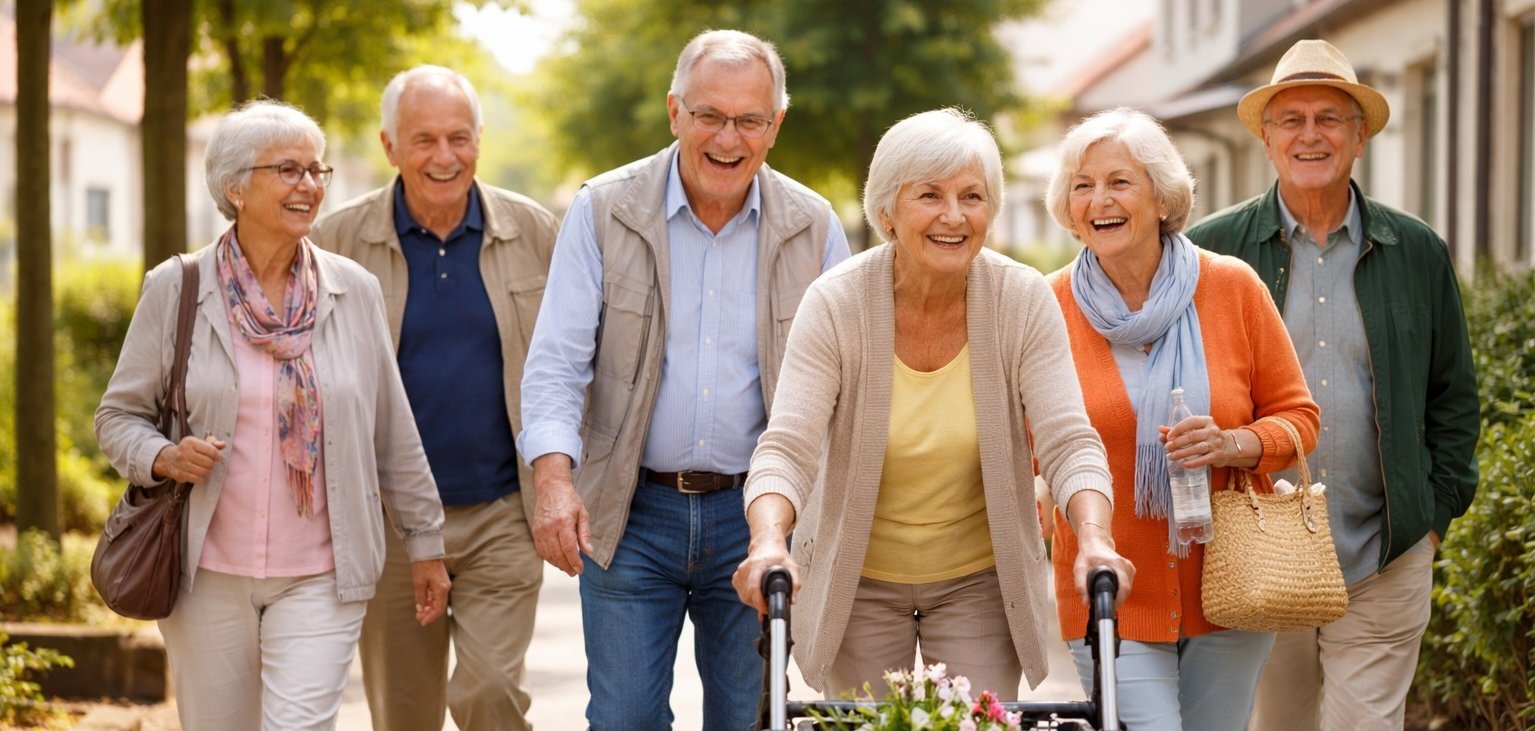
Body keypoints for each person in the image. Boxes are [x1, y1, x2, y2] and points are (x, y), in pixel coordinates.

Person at [732, 108, 1134, 700]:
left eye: (972, 196)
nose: (953, 215)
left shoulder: (1021, 299)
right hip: (858, 578)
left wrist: (1095, 538)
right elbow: (787, 447)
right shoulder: (836, 303)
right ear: (887, 211)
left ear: (991, 211)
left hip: (977, 579)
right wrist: (769, 541)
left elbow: (1068, 440)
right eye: (930, 195)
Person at [518, 29, 852, 729]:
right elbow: (555, 360)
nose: (727, 137)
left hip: (759, 522)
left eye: (748, 119)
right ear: (675, 112)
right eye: (708, 115)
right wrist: (553, 480)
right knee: (624, 718)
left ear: (774, 125)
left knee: (748, 717)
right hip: (632, 514)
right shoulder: (604, 209)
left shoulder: (813, 226)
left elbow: (843, 389)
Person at [94, 100, 450, 731]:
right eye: (288, 170)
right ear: (235, 187)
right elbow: (118, 417)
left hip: (321, 572)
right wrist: (163, 456)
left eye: (317, 171)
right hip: (204, 572)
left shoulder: (352, 290)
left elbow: (392, 432)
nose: (309, 185)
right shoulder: (176, 288)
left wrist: (426, 545)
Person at [1185, 39, 1480, 730]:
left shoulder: (1416, 251)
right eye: (1290, 119)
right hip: (1256, 546)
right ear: (1265, 138)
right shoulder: (1212, 250)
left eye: (1328, 118)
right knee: (1276, 723)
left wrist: (1430, 519)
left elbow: (1453, 399)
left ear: (1359, 137)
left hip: (1385, 549)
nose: (1309, 134)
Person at [1042, 107, 1321, 730]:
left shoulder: (1232, 287)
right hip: (1110, 594)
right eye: (1082, 186)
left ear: (1163, 197)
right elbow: (1025, 440)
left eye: (1119, 182)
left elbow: (1299, 418)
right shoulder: (1047, 305)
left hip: (1233, 588)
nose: (1099, 200)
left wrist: (1234, 443)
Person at [309, 65, 557, 731]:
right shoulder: (336, 243)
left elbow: (574, 363)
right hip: (386, 523)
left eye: (459, 137)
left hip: (502, 514)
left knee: (490, 691)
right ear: (389, 146)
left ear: (479, 139)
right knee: (404, 714)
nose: (444, 157)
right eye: (423, 140)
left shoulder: (535, 233)